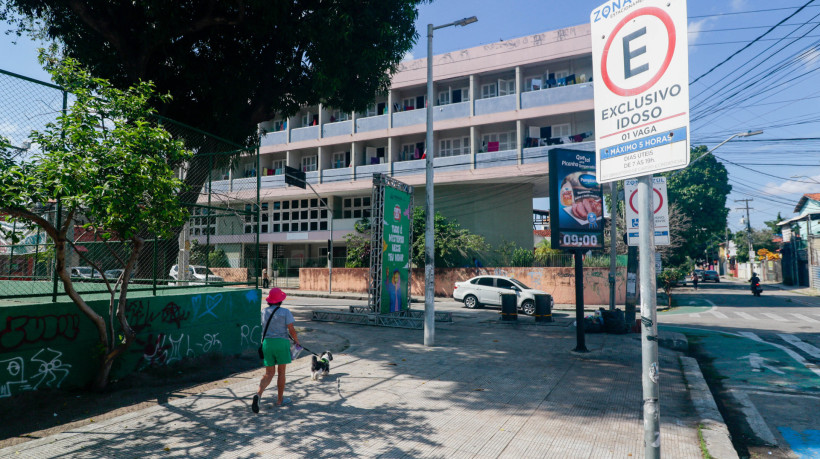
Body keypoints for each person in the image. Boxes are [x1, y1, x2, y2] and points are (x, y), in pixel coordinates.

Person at [252, 288, 299, 413]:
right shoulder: (285, 312)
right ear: (280, 300)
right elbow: (291, 329)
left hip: (267, 343)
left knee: (269, 373)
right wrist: (296, 341)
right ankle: (279, 400)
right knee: (281, 372)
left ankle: (258, 394)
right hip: (281, 343)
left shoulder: (264, 311)